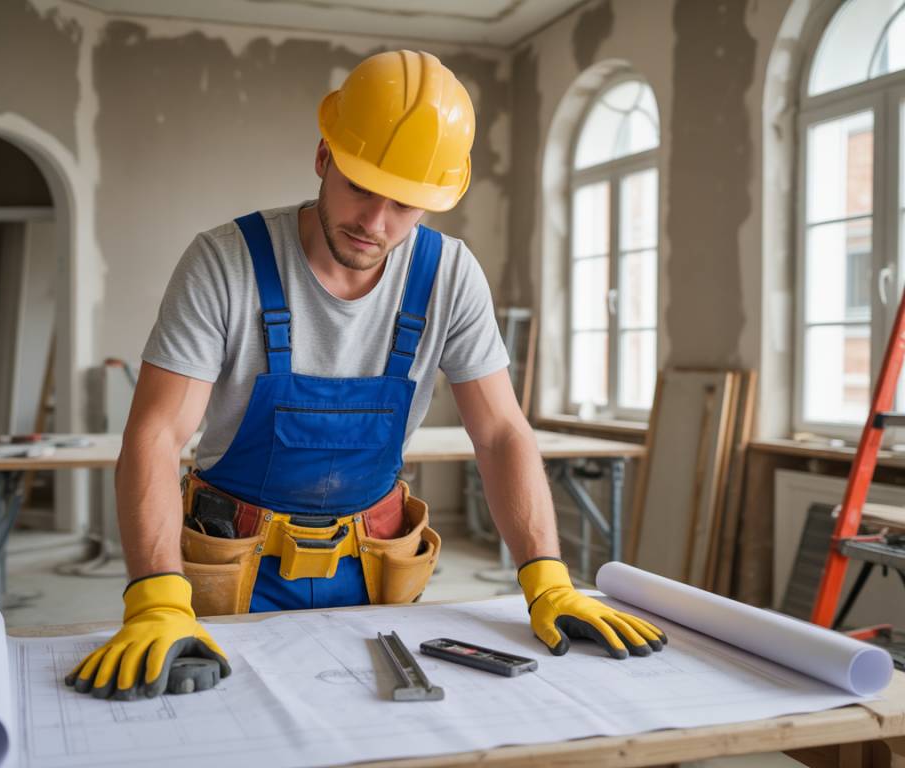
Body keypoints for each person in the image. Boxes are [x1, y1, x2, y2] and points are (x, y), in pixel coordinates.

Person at [65, 50, 665, 701]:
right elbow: (154, 433)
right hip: (229, 563)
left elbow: (500, 433)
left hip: (376, 564)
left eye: (405, 205)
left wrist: (547, 579)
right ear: (324, 157)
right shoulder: (225, 263)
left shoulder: (448, 276)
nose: (375, 224)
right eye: (361, 187)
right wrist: (155, 599)